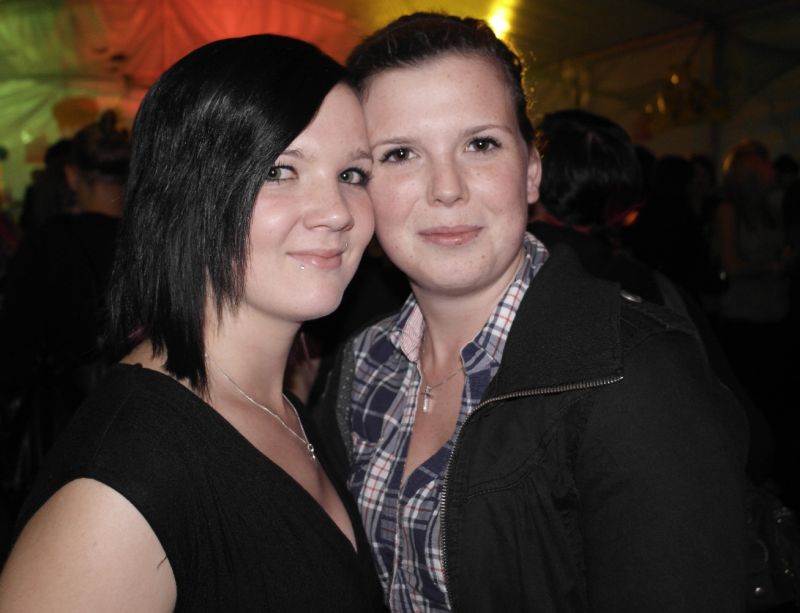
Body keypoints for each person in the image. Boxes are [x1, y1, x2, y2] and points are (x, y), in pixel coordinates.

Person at [316, 12, 748, 612]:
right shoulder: (361, 364)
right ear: (360, 185)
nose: (446, 188)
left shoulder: (638, 374)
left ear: (532, 172)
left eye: (480, 144)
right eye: (401, 154)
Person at [0, 34, 385, 611]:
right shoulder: (117, 494)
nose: (336, 213)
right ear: (185, 190)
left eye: (352, 174)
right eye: (279, 170)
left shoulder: (280, 408)